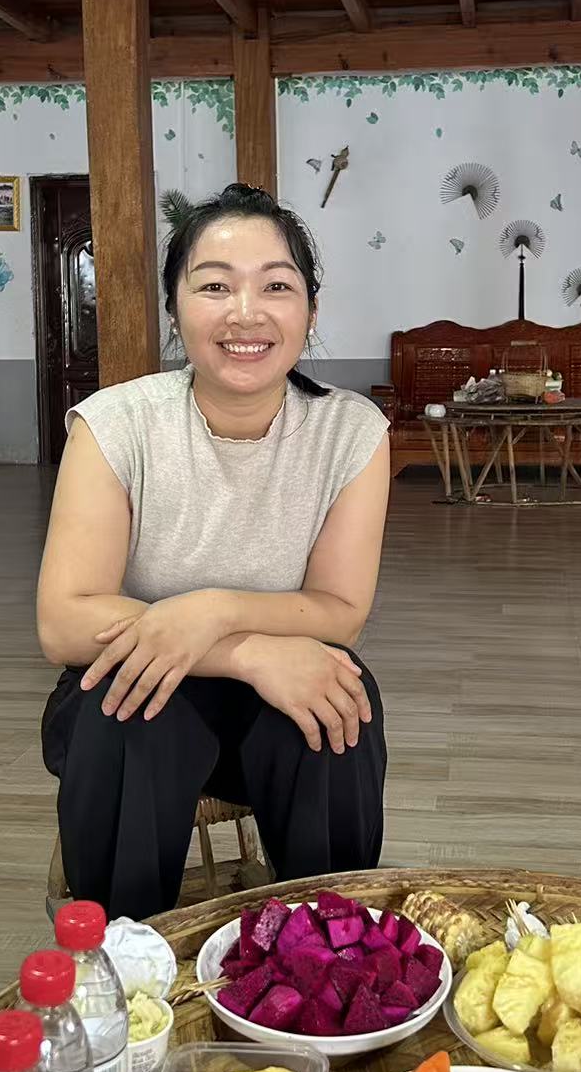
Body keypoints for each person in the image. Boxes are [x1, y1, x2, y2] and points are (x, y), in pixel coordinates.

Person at [36, 182, 391, 917]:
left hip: (270, 706)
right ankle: (126, 957)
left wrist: (212, 610)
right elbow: (65, 622)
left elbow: (340, 610)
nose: (245, 313)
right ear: (175, 308)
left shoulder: (351, 432)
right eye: (215, 286)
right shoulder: (116, 425)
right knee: (127, 708)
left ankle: (330, 945)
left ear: (311, 311)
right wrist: (245, 652)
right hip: (135, 698)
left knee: (338, 698)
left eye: (276, 286)